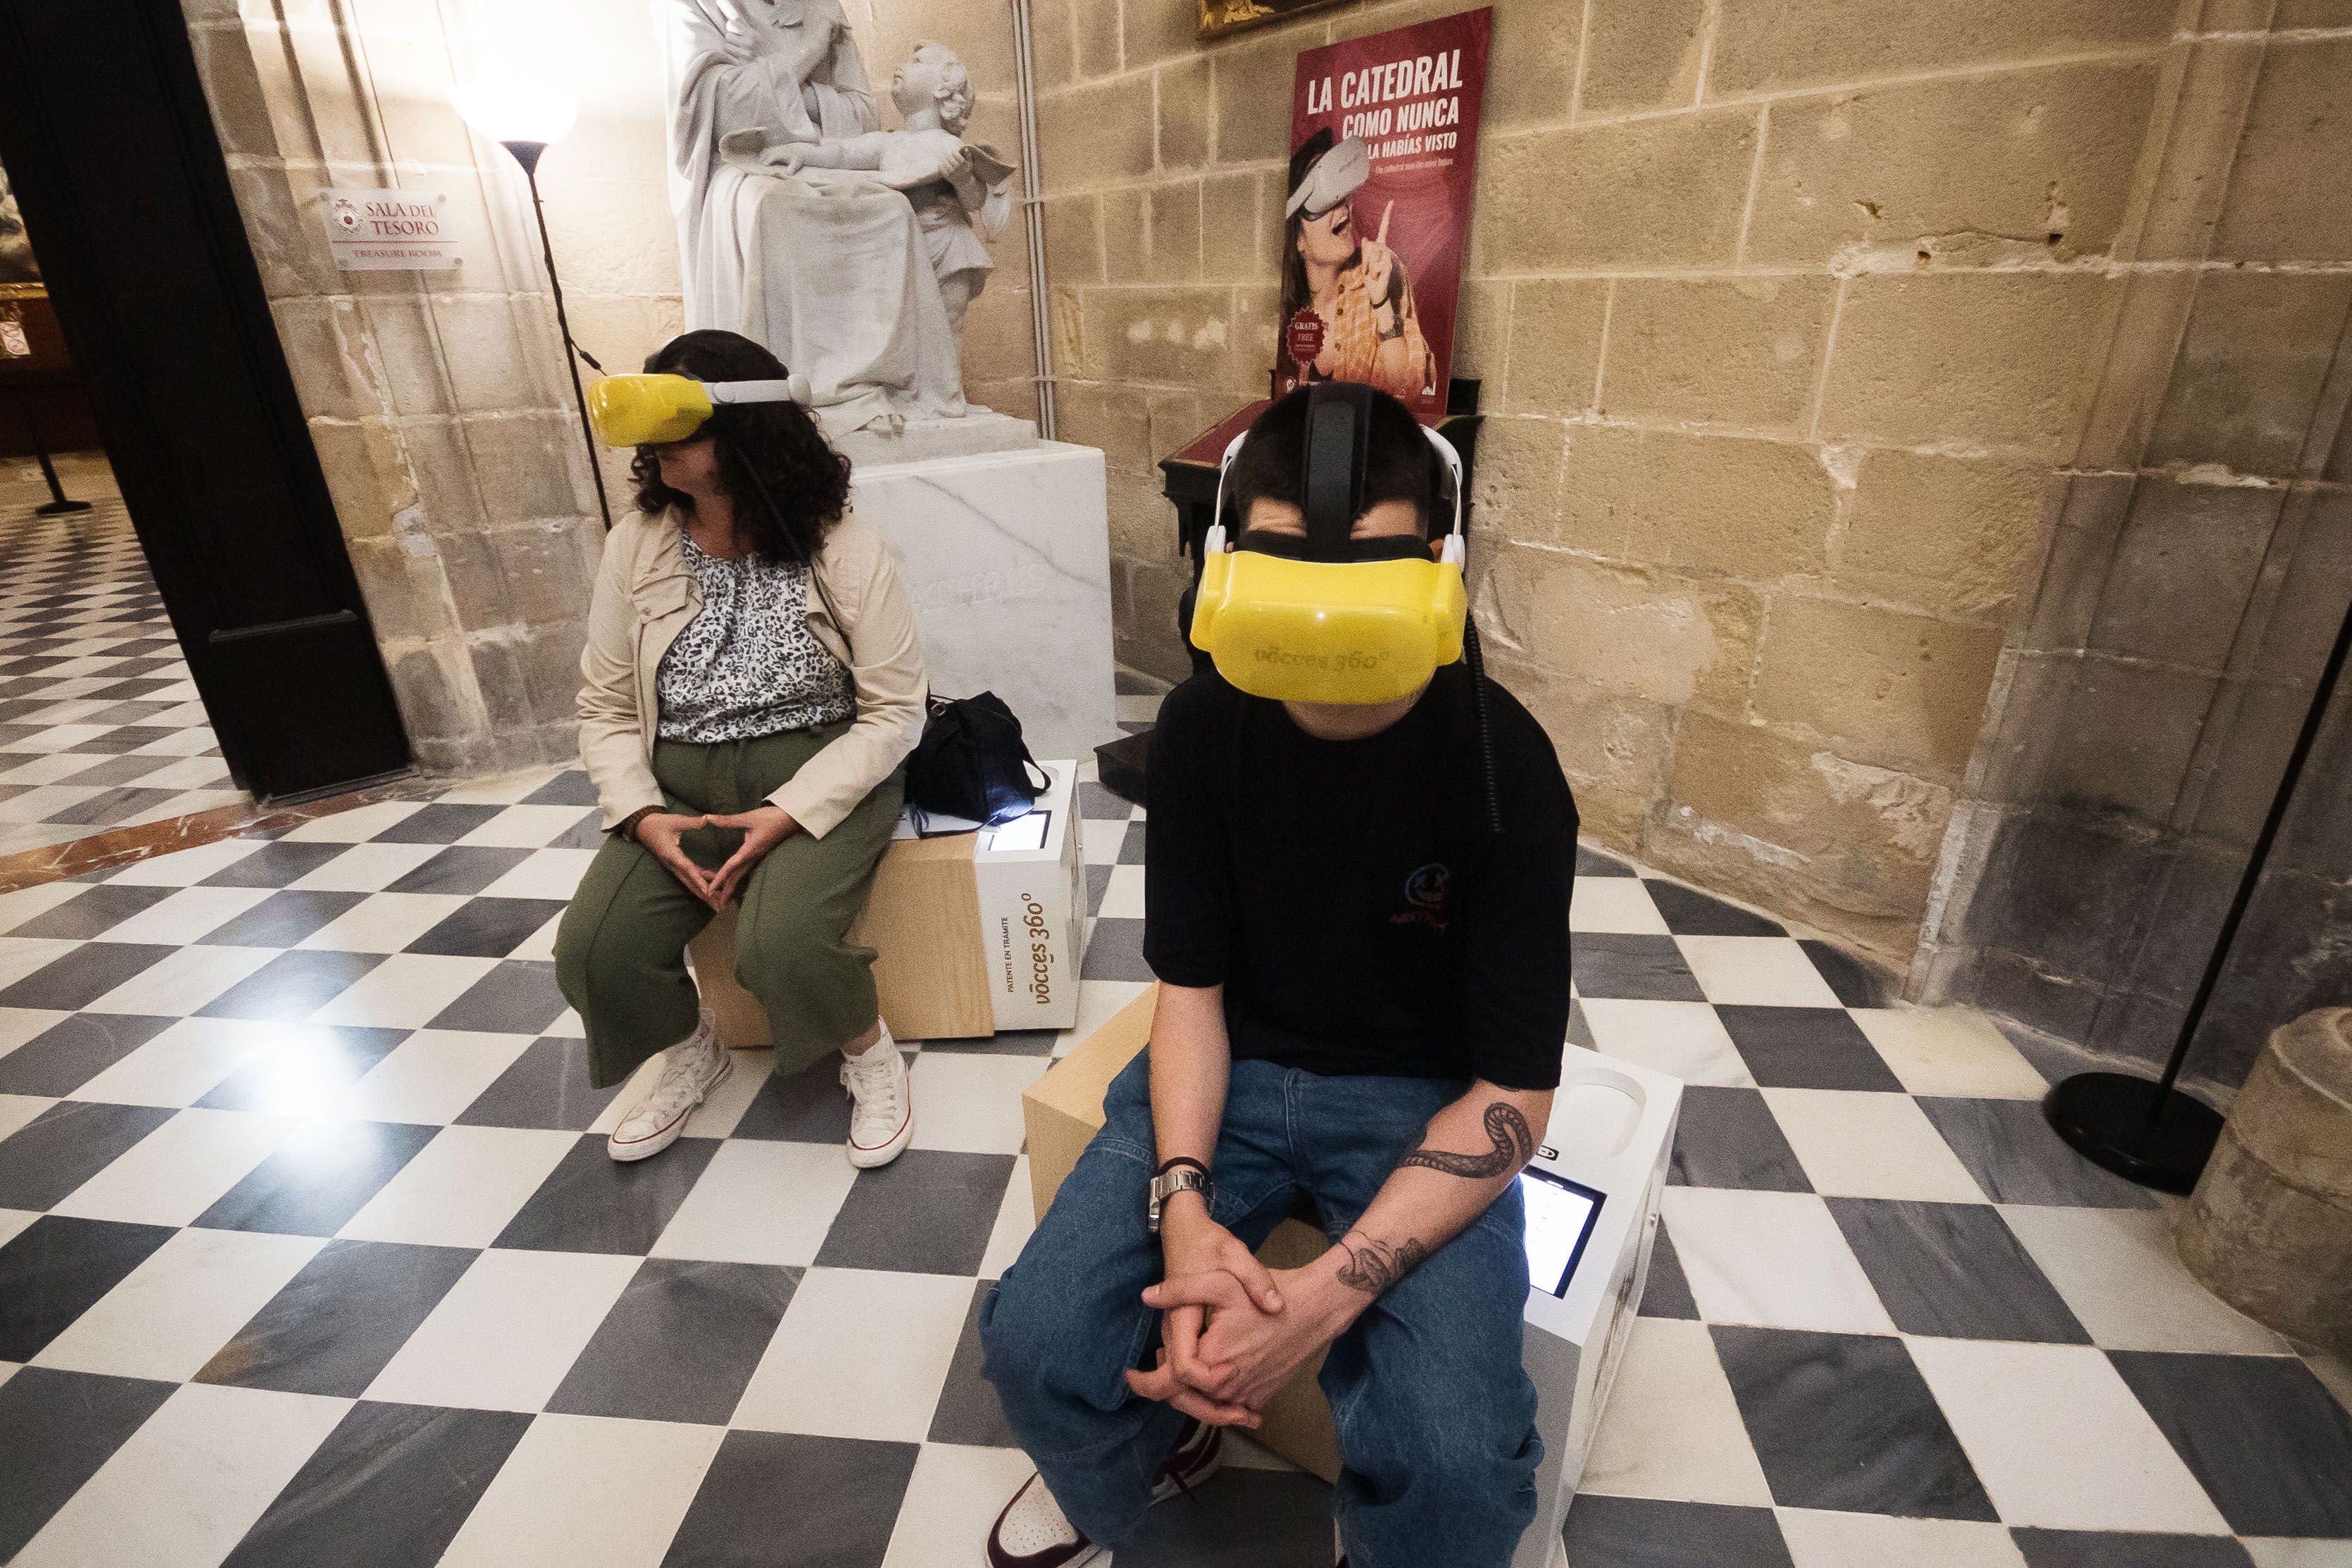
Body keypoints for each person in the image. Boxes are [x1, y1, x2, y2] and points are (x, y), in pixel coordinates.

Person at [978, 385, 1577, 1568]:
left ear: (1442, 562)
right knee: (1034, 1342)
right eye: (1291, 561)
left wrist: (1323, 1298)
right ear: (1227, 559)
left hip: (1423, 1098)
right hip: (1235, 1067)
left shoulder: (1503, 763)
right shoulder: (1205, 727)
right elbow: (1191, 996)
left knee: (1458, 1456)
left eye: (1372, 564)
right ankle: (1142, 1463)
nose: (1329, 610)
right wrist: (1184, 1212)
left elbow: (1514, 1092)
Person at [556, 327, 927, 1169]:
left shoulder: (843, 547)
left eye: (678, 425)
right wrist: (642, 816)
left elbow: (895, 711)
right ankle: (692, 1049)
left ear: (746, 429)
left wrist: (784, 814)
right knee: (595, 949)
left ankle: (870, 1053)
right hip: (680, 791)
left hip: (820, 777)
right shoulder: (635, 547)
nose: (656, 447)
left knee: (782, 944)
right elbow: (605, 705)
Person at [766, 42, 1016, 363]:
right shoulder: (888, 143)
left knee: (947, 324)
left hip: (948, 243)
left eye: (917, 61)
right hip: (901, 248)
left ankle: (948, 388)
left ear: (943, 89)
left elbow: (974, 202)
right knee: (906, 326)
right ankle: (918, 383)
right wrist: (801, 152)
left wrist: (963, 179)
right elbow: (842, 153)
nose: (903, 65)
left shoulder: (949, 145)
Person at [1280, 130, 1434, 401]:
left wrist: (1382, 304)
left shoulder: (1381, 271)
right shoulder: (1292, 312)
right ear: (1298, 241)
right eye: (1323, 200)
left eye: (1342, 195)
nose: (1342, 206)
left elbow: (1410, 391)